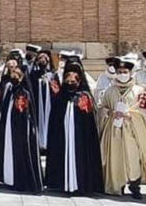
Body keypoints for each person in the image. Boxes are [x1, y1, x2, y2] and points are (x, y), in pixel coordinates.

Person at [99, 57, 146, 198]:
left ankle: (135, 186)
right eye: (120, 71)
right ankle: (118, 186)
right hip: (114, 131)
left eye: (125, 71)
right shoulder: (110, 91)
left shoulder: (139, 90)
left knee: (133, 159)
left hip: (133, 130)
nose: (123, 74)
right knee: (116, 159)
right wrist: (110, 113)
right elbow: (102, 108)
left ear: (130, 73)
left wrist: (131, 115)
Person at [45, 59, 104, 195]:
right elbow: (55, 121)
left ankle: (81, 184)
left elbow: (89, 125)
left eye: (74, 82)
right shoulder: (61, 97)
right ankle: (62, 183)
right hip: (63, 139)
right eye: (68, 81)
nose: (71, 84)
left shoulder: (84, 97)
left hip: (80, 140)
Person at [0, 67, 43, 193]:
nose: (14, 76)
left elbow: (23, 114)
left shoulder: (23, 94)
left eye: (17, 74)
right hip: (9, 129)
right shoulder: (11, 91)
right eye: (13, 74)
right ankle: (8, 179)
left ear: (22, 77)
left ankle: (20, 180)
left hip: (20, 131)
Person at [29, 50, 57, 150]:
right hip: (37, 104)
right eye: (40, 58)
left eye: (44, 58)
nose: (42, 60)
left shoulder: (53, 75)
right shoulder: (33, 75)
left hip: (50, 104)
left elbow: (56, 91)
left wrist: (49, 83)